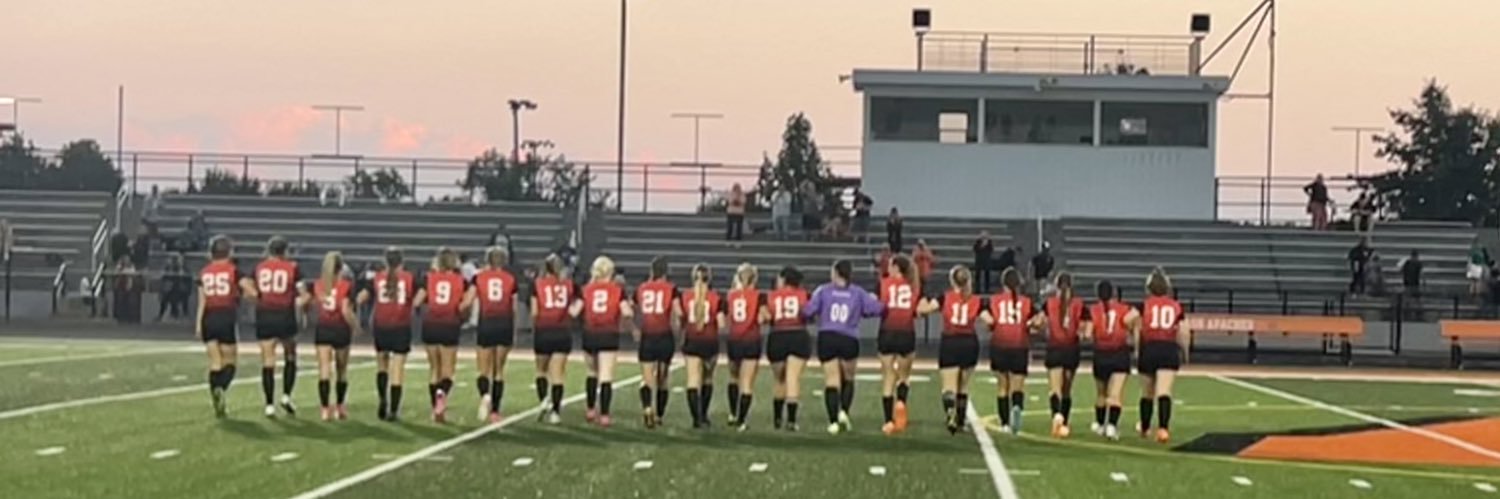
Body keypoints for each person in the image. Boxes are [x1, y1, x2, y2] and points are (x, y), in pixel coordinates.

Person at [804, 259, 884, 435]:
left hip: (828, 336)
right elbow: (877, 309)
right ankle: (844, 412)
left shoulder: (823, 290)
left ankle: (832, 421)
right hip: (849, 337)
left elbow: (808, 311)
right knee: (848, 378)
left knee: (831, 380)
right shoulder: (858, 293)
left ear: (836, 273)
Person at [916, 265, 984, 435]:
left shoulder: (944, 298)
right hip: (969, 342)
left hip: (950, 341)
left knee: (948, 386)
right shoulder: (976, 300)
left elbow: (923, 310)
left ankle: (950, 414)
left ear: (952, 281)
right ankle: (961, 421)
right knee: (964, 385)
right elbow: (989, 320)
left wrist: (922, 299)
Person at [573, 256, 632, 428]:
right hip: (609, 334)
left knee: (591, 372)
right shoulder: (617, 290)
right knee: (606, 376)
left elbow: (575, 311)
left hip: (590, 333)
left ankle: (591, 409)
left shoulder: (586, 290)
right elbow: (627, 312)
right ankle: (605, 414)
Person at [301, 252, 360, 421]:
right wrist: (355, 326)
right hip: (340, 328)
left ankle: (325, 409)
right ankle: (340, 407)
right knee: (342, 370)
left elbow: (310, 303)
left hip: (324, 328)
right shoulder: (346, 285)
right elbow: (345, 309)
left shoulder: (318, 285)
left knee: (324, 370)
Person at [197, 235, 252, 417]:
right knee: (230, 362)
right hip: (225, 315)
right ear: (228, 252)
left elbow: (202, 301)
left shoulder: (204, 272)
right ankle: (221, 388)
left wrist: (199, 324)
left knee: (215, 362)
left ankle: (216, 396)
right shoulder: (233, 271)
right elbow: (250, 291)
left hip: (208, 316)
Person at [364, 247, 420, 421]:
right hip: (401, 325)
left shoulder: (377, 278)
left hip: (381, 325)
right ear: (402, 261)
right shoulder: (410, 278)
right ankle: (394, 410)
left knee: (382, 365)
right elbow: (419, 298)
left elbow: (361, 297)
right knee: (397, 369)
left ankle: (382, 399)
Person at [987, 268, 1045, 434]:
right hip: (1019, 346)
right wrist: (1031, 324)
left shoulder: (995, 300)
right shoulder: (1026, 302)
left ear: (1003, 284)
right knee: (1017, 387)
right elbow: (1040, 319)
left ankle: (1005, 423)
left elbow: (989, 322)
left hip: (999, 346)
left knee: (1002, 387)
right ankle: (1017, 407)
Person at [1137, 267, 1190, 443]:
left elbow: (1135, 327)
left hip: (1150, 347)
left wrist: (1137, 349)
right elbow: (1183, 331)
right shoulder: (1176, 306)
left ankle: (1145, 428)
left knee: (1147, 392)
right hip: (1168, 348)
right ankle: (1163, 429)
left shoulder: (1145, 305)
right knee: (1164, 391)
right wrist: (1185, 351)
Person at [251, 236, 302, 418]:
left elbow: (251, 290)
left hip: (265, 314)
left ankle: (269, 404)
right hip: (285, 315)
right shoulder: (292, 267)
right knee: (290, 354)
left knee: (268, 359)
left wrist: (258, 299)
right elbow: (302, 293)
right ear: (285, 251)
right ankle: (286, 395)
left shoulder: (259, 267)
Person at [418, 248, 469, 423]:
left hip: (431, 324)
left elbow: (417, 301)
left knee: (434, 370)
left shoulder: (429, 279)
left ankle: (435, 409)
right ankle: (442, 397)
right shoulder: (462, 281)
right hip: (449, 324)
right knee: (447, 371)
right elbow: (465, 305)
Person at [473, 246, 519, 423]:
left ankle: (485, 394)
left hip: (486, 323)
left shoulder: (479, 278)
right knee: (498, 371)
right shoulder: (510, 279)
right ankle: (495, 411)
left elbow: (471, 298)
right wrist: (515, 331)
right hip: (504, 323)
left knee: (483, 369)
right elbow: (514, 308)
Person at [1085, 280, 1136, 441]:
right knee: (1115, 394)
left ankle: (1100, 424)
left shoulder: (1093, 310)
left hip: (1101, 354)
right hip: (1119, 354)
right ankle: (1112, 427)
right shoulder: (1124, 308)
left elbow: (1087, 334)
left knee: (1101, 394)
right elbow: (1132, 320)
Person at [633, 257, 680, 428]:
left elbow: (633, 309)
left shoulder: (641, 288)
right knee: (663, 378)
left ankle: (647, 407)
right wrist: (678, 329)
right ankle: (659, 414)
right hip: (664, 335)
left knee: (646, 378)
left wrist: (635, 328)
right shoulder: (671, 289)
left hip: (647, 335)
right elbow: (678, 313)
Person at [530, 254, 577, 424]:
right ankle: (556, 412)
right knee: (558, 374)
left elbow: (535, 312)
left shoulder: (537, 284)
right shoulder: (569, 285)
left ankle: (543, 400)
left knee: (541, 370)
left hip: (543, 330)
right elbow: (576, 306)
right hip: (562, 331)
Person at [877, 255, 920, 435]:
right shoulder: (914, 285)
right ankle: (901, 401)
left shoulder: (883, 283)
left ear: (895, 267)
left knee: (888, 376)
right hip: (906, 332)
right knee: (904, 375)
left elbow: (878, 305)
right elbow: (918, 309)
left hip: (887, 331)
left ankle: (888, 421)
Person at [680, 264, 725, 429]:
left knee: (692, 379)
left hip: (692, 340)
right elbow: (721, 324)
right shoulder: (716, 298)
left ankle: (696, 418)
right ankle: (704, 415)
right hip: (710, 341)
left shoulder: (685, 296)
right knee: (707, 378)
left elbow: (680, 317)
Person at [766, 265, 811, 431]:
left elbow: (767, 316)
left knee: (779, 380)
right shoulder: (804, 295)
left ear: (784, 279)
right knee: (793, 378)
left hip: (777, 335)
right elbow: (808, 314)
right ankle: (791, 421)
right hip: (798, 334)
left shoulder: (772, 296)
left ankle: (777, 419)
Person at [725, 263, 768, 430]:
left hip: (734, 339)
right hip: (751, 340)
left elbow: (728, 319)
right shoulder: (759, 296)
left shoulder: (731, 295)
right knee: (747, 383)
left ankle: (732, 413)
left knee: (734, 378)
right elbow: (763, 317)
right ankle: (741, 420)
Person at [1043, 272, 1085, 438]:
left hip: (1054, 348)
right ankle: (1064, 421)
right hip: (1071, 349)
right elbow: (1083, 330)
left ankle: (1056, 417)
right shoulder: (1079, 305)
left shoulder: (1049, 304)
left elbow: (1041, 323)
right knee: (1066, 389)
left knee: (1055, 388)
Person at [156, 253, 192, 321]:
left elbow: (188, 280)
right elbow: (163, 278)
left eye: (180, 260)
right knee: (165, 297)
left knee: (179, 296)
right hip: (170, 289)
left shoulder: (185, 269)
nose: (178, 261)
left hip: (181, 290)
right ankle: (161, 315)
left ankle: (184, 314)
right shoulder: (168, 268)